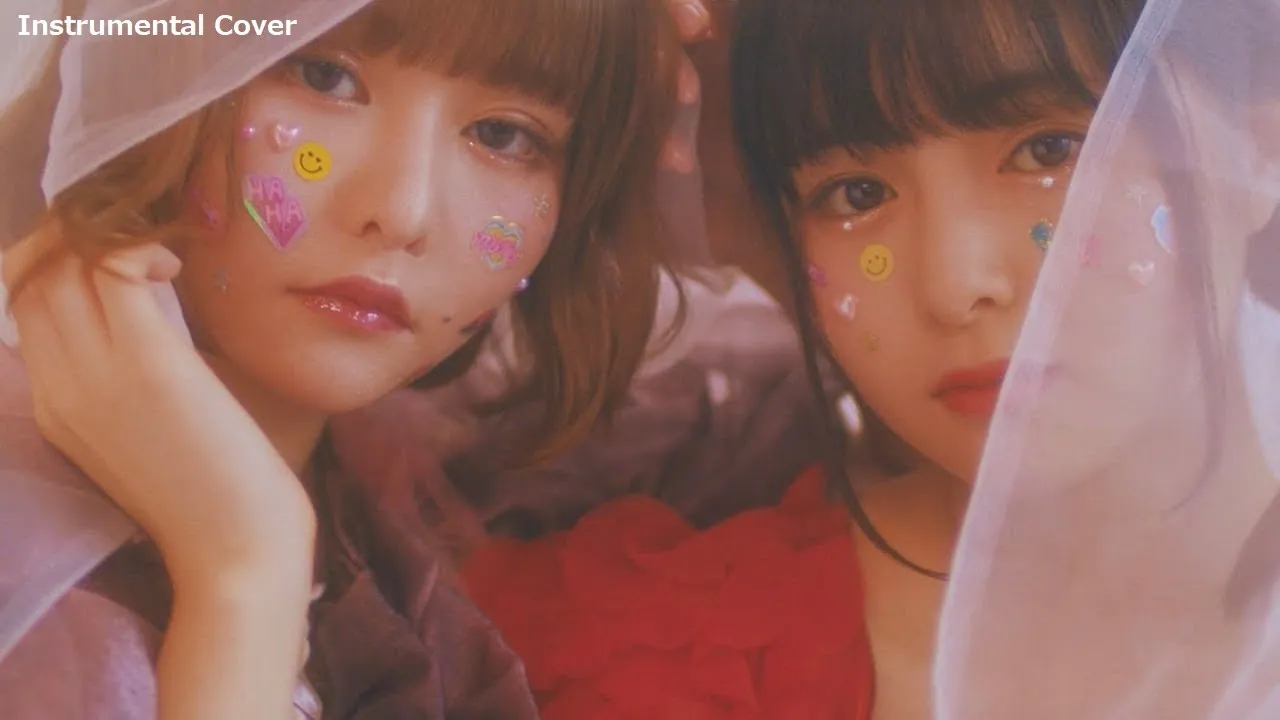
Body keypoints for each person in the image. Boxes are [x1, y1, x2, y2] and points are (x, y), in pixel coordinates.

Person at [458, 0, 1176, 717]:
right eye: (856, 194)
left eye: (1048, 151)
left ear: (1239, 131)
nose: (954, 286)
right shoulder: (659, 667)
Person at [0, 0, 683, 717]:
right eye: (323, 76)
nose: (402, 212)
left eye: (502, 135)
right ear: (147, 67)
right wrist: (246, 574)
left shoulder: (401, 501)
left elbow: (755, 415)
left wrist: (754, 81)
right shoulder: (35, 596)